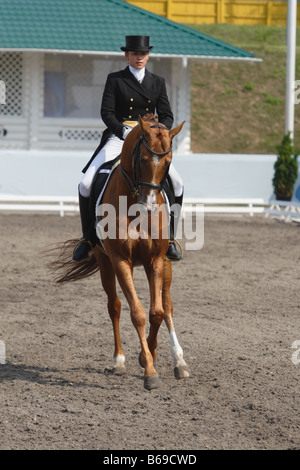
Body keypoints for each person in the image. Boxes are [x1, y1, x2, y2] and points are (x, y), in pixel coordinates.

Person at [73, 35, 183, 262]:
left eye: (143, 54)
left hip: (148, 140)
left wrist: (159, 133)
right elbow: (107, 113)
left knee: (178, 183)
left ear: (148, 55)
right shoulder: (115, 79)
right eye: (135, 54)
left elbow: (168, 115)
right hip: (119, 136)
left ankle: (170, 238)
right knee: (85, 183)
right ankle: (87, 239)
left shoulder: (157, 82)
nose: (139, 58)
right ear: (127, 55)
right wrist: (122, 131)